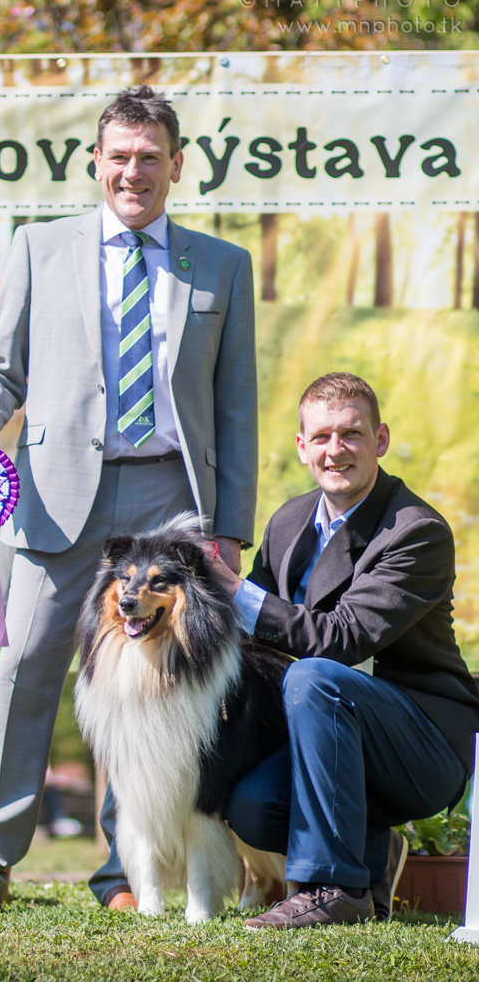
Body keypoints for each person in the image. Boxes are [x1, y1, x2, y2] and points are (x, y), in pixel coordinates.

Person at [0, 85, 258, 910]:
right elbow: (0, 371)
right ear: (96, 163)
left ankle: (126, 874)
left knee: (148, 692)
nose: (133, 172)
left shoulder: (223, 264)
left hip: (171, 500)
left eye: (150, 157)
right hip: (57, 492)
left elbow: (234, 406)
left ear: (177, 165)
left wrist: (229, 528)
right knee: (25, 669)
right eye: (119, 157)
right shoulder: (40, 248)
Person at [214, 372, 479, 928]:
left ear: (380, 440)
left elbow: (342, 639)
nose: (336, 450)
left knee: (313, 675)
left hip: (422, 745)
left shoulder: (416, 530)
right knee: (253, 807)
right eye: (321, 437)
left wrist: (234, 591)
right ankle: (372, 853)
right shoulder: (289, 520)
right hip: (330, 740)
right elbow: (250, 634)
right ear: (301, 447)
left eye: (351, 434)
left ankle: (334, 889)